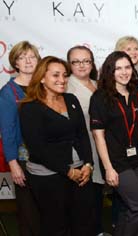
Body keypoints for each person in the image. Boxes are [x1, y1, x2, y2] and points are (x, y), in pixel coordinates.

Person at [19, 56, 95, 236]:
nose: (62, 80)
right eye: (55, 75)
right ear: (42, 78)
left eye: (65, 75)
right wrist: (68, 171)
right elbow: (37, 148)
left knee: (82, 222)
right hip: (48, 176)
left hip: (80, 172)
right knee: (56, 225)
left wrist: (88, 164)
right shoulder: (30, 108)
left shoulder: (71, 99)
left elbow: (83, 135)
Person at [89, 51, 138, 236]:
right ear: (110, 71)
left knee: (127, 208)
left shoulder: (134, 93)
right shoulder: (100, 97)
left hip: (136, 159)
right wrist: (108, 168)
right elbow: (98, 136)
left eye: (127, 67)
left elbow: (134, 129)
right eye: (118, 68)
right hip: (116, 162)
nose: (124, 72)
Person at [0, 41, 41, 236]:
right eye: (22, 57)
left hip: (49, 157)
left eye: (31, 56)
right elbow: (7, 131)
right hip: (24, 160)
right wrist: (13, 163)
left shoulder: (45, 86)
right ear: (15, 63)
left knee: (49, 210)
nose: (27, 61)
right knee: (28, 212)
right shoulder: (8, 92)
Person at [66, 45, 107, 236]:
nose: (82, 65)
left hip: (103, 146)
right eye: (76, 61)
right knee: (84, 199)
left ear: (92, 63)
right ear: (69, 64)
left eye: (86, 61)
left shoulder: (98, 84)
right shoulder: (65, 86)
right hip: (83, 150)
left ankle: (97, 230)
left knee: (98, 195)